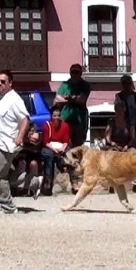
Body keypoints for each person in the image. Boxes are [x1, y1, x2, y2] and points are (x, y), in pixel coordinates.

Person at [0, 70, 32, 214]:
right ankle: (32, 182)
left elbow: (25, 119)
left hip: (7, 143)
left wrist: (20, 137)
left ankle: (8, 205)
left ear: (10, 83)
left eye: (3, 82)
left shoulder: (14, 99)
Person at [54, 63, 90, 193]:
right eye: (73, 72)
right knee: (66, 149)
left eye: (77, 72)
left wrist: (69, 98)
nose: (75, 75)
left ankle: (78, 180)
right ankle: (72, 180)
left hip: (79, 121)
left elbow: (82, 99)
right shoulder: (65, 84)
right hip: (66, 121)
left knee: (78, 151)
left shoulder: (85, 85)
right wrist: (70, 99)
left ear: (80, 73)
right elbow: (57, 98)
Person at [40, 106, 71, 195]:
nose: (56, 118)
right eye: (54, 116)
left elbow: (66, 141)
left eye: (58, 116)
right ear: (51, 116)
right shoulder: (47, 125)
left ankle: (74, 181)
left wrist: (62, 149)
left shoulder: (65, 126)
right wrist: (54, 150)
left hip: (61, 147)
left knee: (70, 155)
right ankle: (48, 181)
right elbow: (45, 142)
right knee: (49, 155)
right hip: (49, 147)